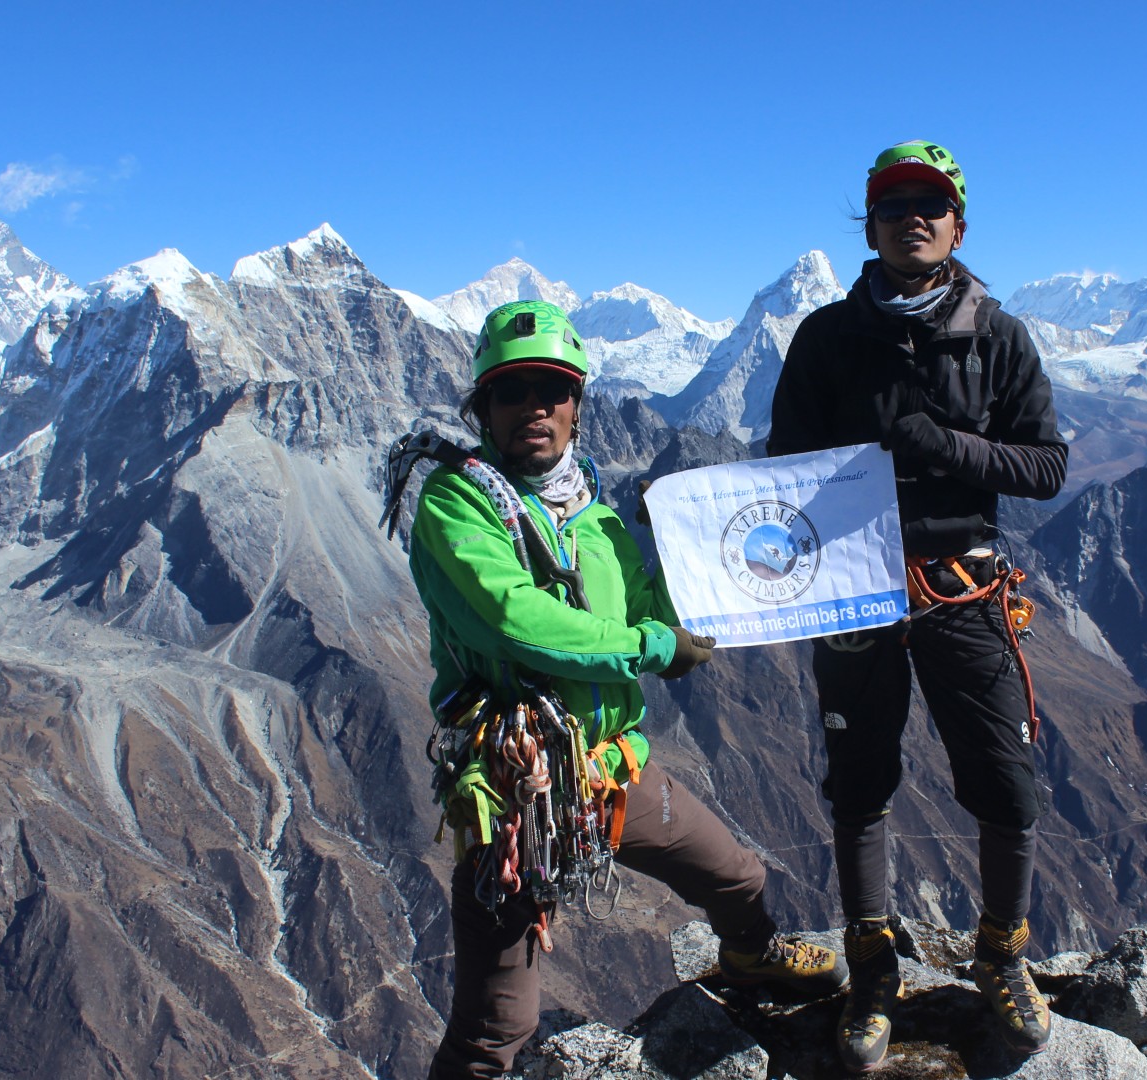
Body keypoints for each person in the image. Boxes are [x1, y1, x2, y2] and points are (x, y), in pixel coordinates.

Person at [397, 300, 847, 1079]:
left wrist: (682, 555)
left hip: (607, 767)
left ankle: (750, 959)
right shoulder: (454, 503)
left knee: (737, 877)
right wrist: (650, 646)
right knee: (497, 1023)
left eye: (553, 389)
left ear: (576, 406)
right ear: (484, 408)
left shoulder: (598, 515)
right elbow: (517, 622)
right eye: (513, 392)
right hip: (518, 786)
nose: (535, 407)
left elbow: (651, 612)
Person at [767, 141, 1069, 1070]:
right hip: (855, 587)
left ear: (958, 224)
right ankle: (872, 967)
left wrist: (939, 446)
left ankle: (1002, 955)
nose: (912, 217)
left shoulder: (999, 337)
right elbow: (784, 464)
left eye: (930, 203)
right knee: (859, 779)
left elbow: (1045, 467)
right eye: (893, 203)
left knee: (1003, 779)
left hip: (961, 583)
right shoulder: (825, 338)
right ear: (871, 224)